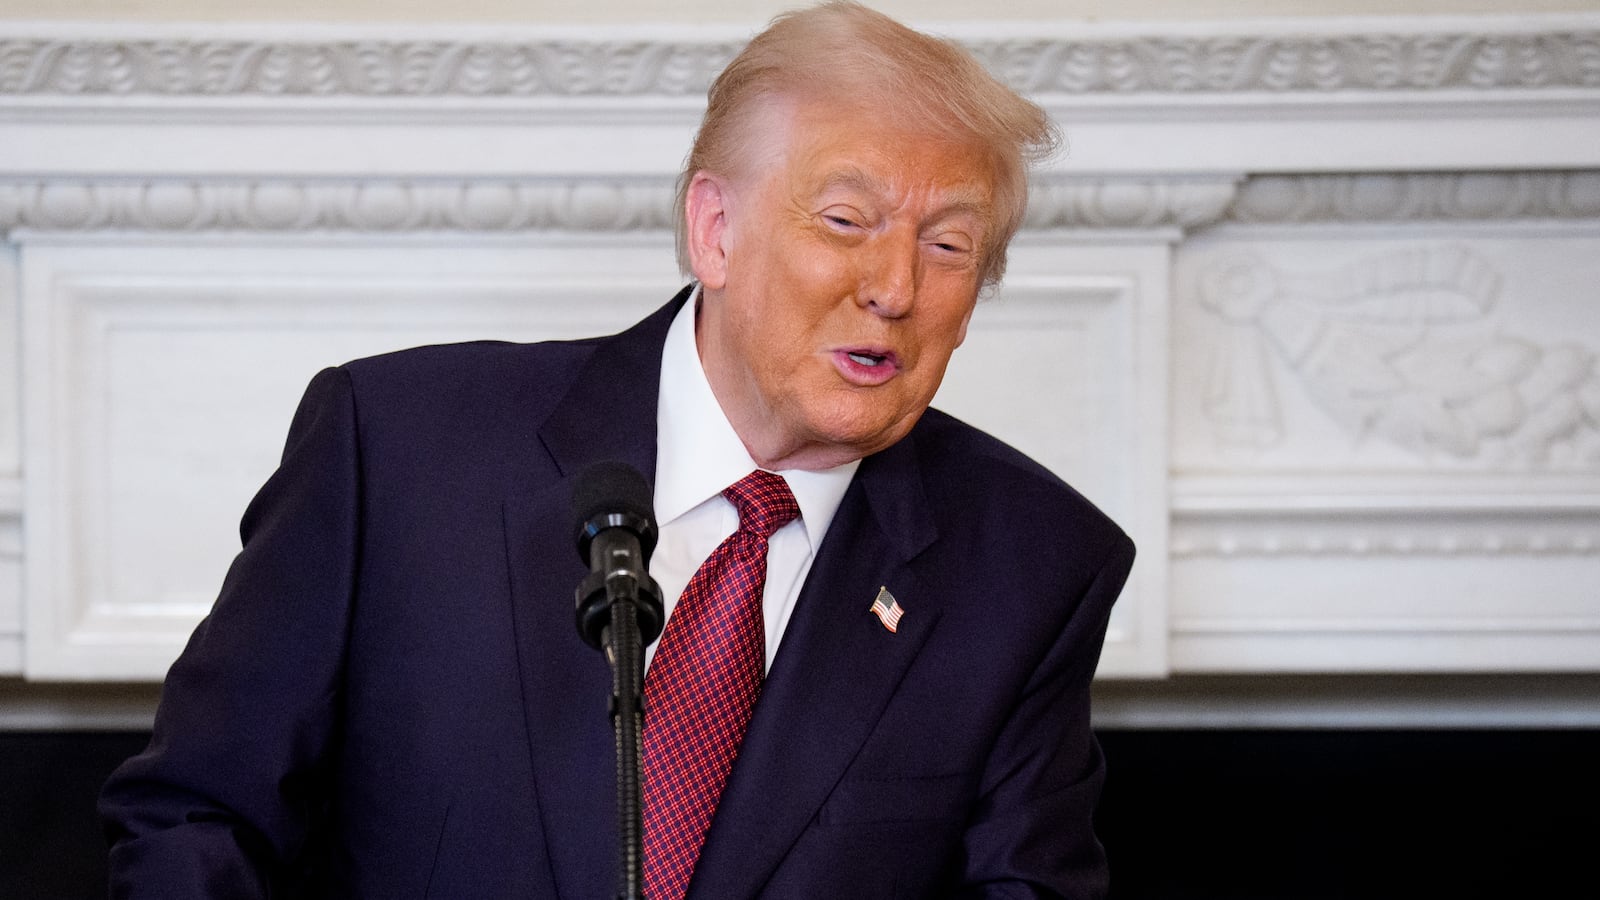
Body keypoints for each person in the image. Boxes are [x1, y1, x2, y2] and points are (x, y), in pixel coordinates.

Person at [100, 2, 1134, 897]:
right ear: (714, 231)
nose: (896, 287)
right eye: (846, 218)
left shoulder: (1030, 566)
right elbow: (196, 817)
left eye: (948, 244)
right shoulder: (399, 452)